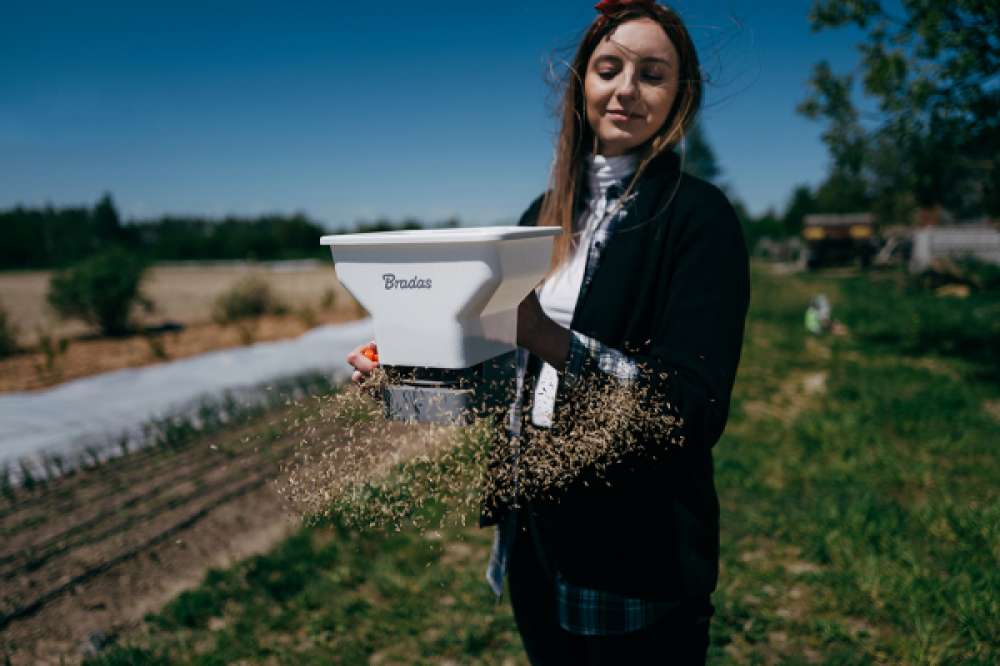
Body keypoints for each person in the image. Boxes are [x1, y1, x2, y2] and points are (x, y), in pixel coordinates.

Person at [348, 1, 750, 662]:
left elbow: (692, 409)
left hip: (630, 552)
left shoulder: (698, 219)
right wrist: (404, 383)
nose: (625, 88)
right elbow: (506, 381)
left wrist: (546, 336)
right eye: (609, 68)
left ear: (680, 96)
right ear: (580, 87)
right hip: (533, 536)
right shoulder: (543, 217)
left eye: (652, 74)